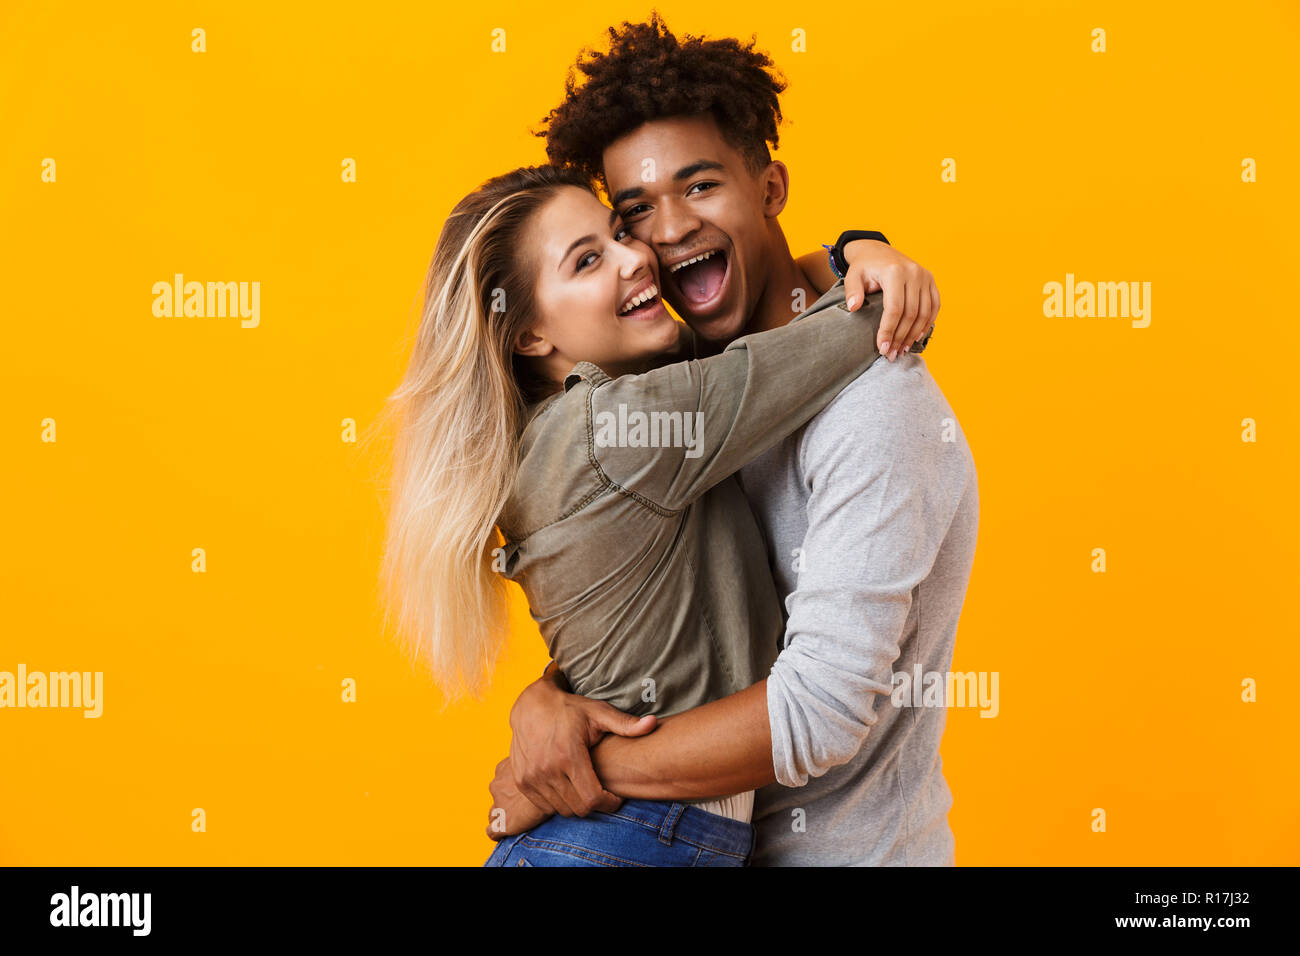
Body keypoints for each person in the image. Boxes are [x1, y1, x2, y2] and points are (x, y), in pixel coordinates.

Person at [490, 15, 978, 866]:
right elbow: (655, 634)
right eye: (632, 211)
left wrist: (575, 764)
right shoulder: (667, 394)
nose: (667, 231)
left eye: (701, 186)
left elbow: (816, 713)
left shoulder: (878, 408)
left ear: (771, 189)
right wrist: (547, 702)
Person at [378, 161, 935, 867]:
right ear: (528, 337)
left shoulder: (566, 432)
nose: (638, 256)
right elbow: (856, 330)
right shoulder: (621, 428)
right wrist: (866, 251)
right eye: (587, 261)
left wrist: (854, 250)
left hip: (635, 837)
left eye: (617, 233)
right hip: (621, 839)